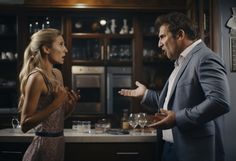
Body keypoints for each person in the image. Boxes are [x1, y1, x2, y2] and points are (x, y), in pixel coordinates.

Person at [119, 12, 230, 161]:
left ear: (179, 35)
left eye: (162, 37)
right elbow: (173, 103)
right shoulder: (181, 61)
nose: (159, 44)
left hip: (193, 152)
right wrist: (145, 94)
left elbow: (219, 102)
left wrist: (177, 118)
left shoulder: (205, 58)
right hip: (170, 148)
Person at [18, 28, 80, 161]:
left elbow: (54, 119)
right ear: (46, 49)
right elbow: (24, 124)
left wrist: (69, 107)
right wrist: (57, 102)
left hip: (58, 144)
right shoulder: (37, 77)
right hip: (42, 147)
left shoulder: (57, 74)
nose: (66, 50)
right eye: (61, 44)